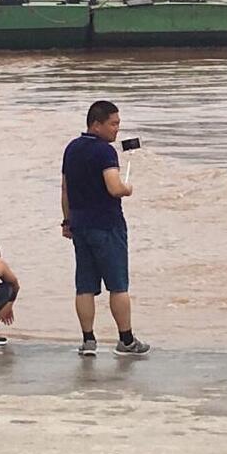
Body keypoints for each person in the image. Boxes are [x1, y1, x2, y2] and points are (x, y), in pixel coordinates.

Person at [61, 100, 150, 357]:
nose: (117, 130)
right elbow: (113, 187)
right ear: (96, 124)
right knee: (118, 285)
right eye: (113, 124)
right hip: (107, 225)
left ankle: (88, 340)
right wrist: (127, 188)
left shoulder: (72, 149)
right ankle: (126, 339)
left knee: (85, 286)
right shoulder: (104, 152)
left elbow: (65, 189)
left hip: (80, 225)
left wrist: (67, 221)